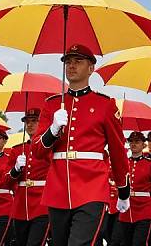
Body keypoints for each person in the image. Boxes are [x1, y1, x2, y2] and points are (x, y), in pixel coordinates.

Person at [32, 44, 130, 246]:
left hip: (91, 187)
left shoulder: (105, 104)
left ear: (91, 68)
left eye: (78, 61)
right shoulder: (52, 104)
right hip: (58, 189)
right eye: (68, 62)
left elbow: (117, 150)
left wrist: (123, 189)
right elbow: (38, 151)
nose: (72, 66)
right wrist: (52, 130)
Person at [8, 108, 51, 246]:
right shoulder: (17, 150)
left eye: (34, 121)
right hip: (21, 206)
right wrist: (15, 169)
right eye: (27, 122)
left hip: (42, 204)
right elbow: (6, 182)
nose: (30, 125)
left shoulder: (49, 147)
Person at [111, 131, 151, 246]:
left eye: (137, 142)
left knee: (139, 242)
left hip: (144, 208)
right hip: (126, 209)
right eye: (131, 142)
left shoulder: (149, 164)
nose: (133, 144)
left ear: (143, 145)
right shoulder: (124, 163)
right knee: (123, 242)